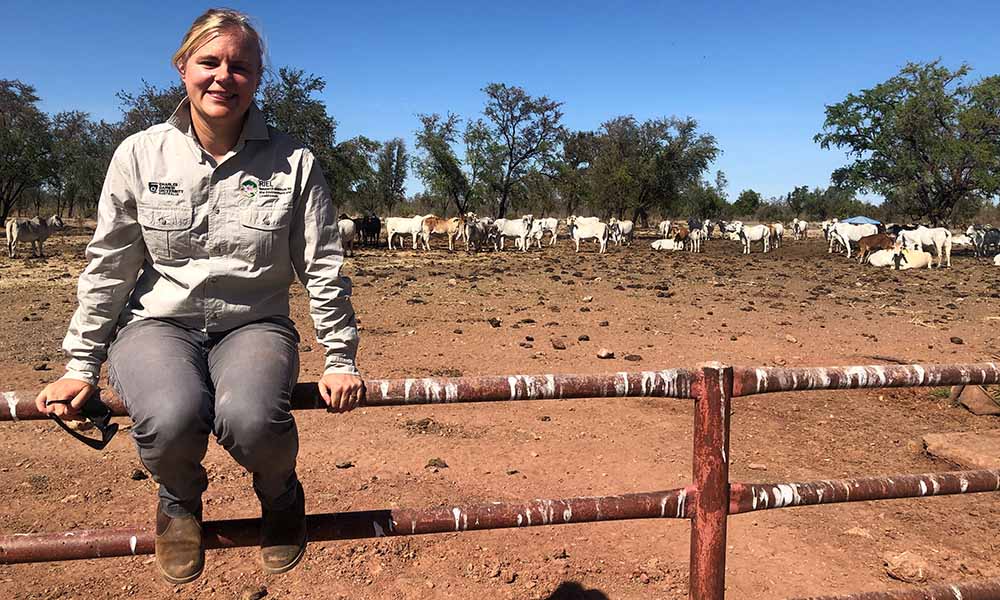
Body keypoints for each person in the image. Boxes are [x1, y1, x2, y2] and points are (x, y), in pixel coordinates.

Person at [34, 8, 364, 585]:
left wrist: (340, 357)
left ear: (259, 77)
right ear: (182, 68)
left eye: (240, 66)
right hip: (157, 322)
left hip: (254, 322)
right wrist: (81, 363)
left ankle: (280, 494)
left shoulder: (295, 162)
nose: (223, 77)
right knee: (171, 414)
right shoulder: (139, 155)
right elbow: (110, 263)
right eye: (208, 62)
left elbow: (322, 264)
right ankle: (179, 500)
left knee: (253, 417)